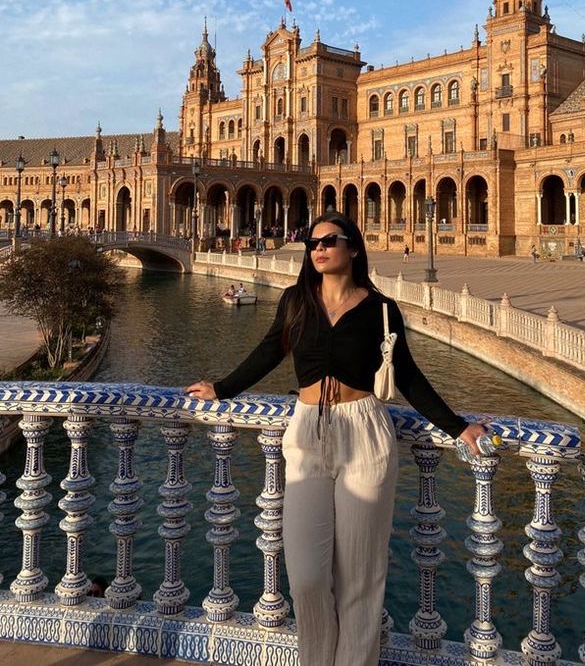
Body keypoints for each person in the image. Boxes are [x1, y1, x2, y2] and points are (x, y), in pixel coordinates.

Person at [185, 213, 484, 666]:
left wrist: (457, 425)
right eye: (312, 242)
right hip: (307, 431)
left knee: (360, 580)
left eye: (329, 240)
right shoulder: (295, 301)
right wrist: (222, 388)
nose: (318, 248)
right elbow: (268, 353)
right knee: (305, 575)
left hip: (364, 432)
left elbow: (407, 376)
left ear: (353, 248)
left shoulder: (380, 309)